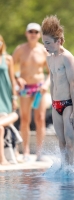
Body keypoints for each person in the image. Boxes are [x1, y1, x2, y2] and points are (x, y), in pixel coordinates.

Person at [41, 16, 74, 166]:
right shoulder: (50, 58)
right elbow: (52, 81)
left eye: (48, 43)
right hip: (56, 104)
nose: (45, 46)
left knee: (70, 142)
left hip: (68, 104)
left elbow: (73, 84)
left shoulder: (67, 58)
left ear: (58, 41)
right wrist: (52, 103)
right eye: (44, 43)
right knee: (61, 143)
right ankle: (65, 170)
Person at [12, 23, 50, 161]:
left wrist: (46, 84)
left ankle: (40, 152)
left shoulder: (44, 50)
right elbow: (11, 66)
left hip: (40, 87)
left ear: (40, 34)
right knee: (25, 119)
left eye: (36, 31)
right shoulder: (20, 49)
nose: (33, 34)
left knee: (40, 119)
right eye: (30, 31)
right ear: (26, 33)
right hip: (25, 88)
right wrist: (17, 78)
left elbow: (52, 72)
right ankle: (26, 151)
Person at [0, 35, 18, 164]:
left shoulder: (8, 58)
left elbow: (12, 80)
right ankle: (4, 158)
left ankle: (12, 154)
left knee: (10, 120)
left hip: (5, 97)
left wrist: (14, 97)